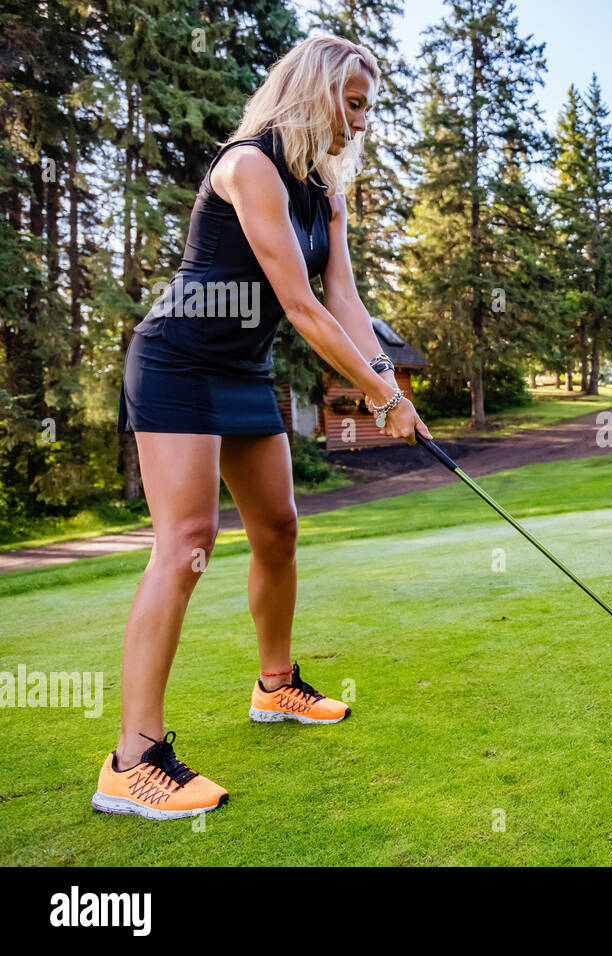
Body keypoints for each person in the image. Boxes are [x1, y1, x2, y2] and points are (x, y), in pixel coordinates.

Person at [92, 34, 430, 820]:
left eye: (368, 108)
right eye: (352, 105)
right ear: (313, 92)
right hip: (178, 360)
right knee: (185, 544)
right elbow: (302, 308)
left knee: (278, 528)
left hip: (242, 371)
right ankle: (132, 760)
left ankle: (275, 688)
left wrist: (386, 380)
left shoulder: (325, 191)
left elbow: (344, 300)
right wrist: (381, 399)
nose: (361, 122)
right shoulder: (249, 165)